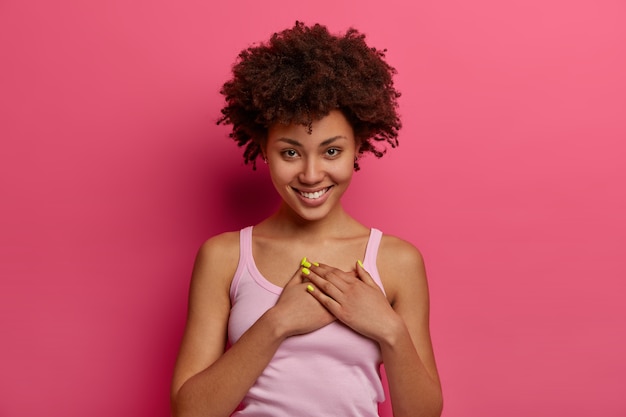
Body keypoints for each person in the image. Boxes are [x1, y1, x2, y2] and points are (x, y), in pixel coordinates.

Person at [171, 21, 442, 417]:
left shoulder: (397, 261)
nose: (312, 175)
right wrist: (278, 321)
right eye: (291, 152)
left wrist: (389, 329)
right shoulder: (226, 256)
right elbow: (189, 412)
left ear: (358, 148)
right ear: (264, 149)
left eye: (331, 152)